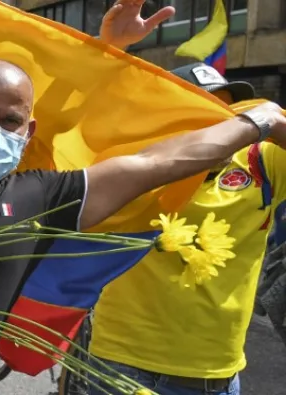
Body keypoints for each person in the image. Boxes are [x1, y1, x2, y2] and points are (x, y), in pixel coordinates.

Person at [0, 0, 286, 393]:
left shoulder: (46, 197)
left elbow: (158, 162)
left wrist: (259, 121)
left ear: (28, 132)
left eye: (9, 121)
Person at [83, 21, 280, 395]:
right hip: (122, 365)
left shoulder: (263, 162)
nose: (219, 131)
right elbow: (71, 119)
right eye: (201, 116)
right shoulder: (133, 161)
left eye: (226, 115)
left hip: (215, 375)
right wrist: (106, 47)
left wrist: (271, 121)